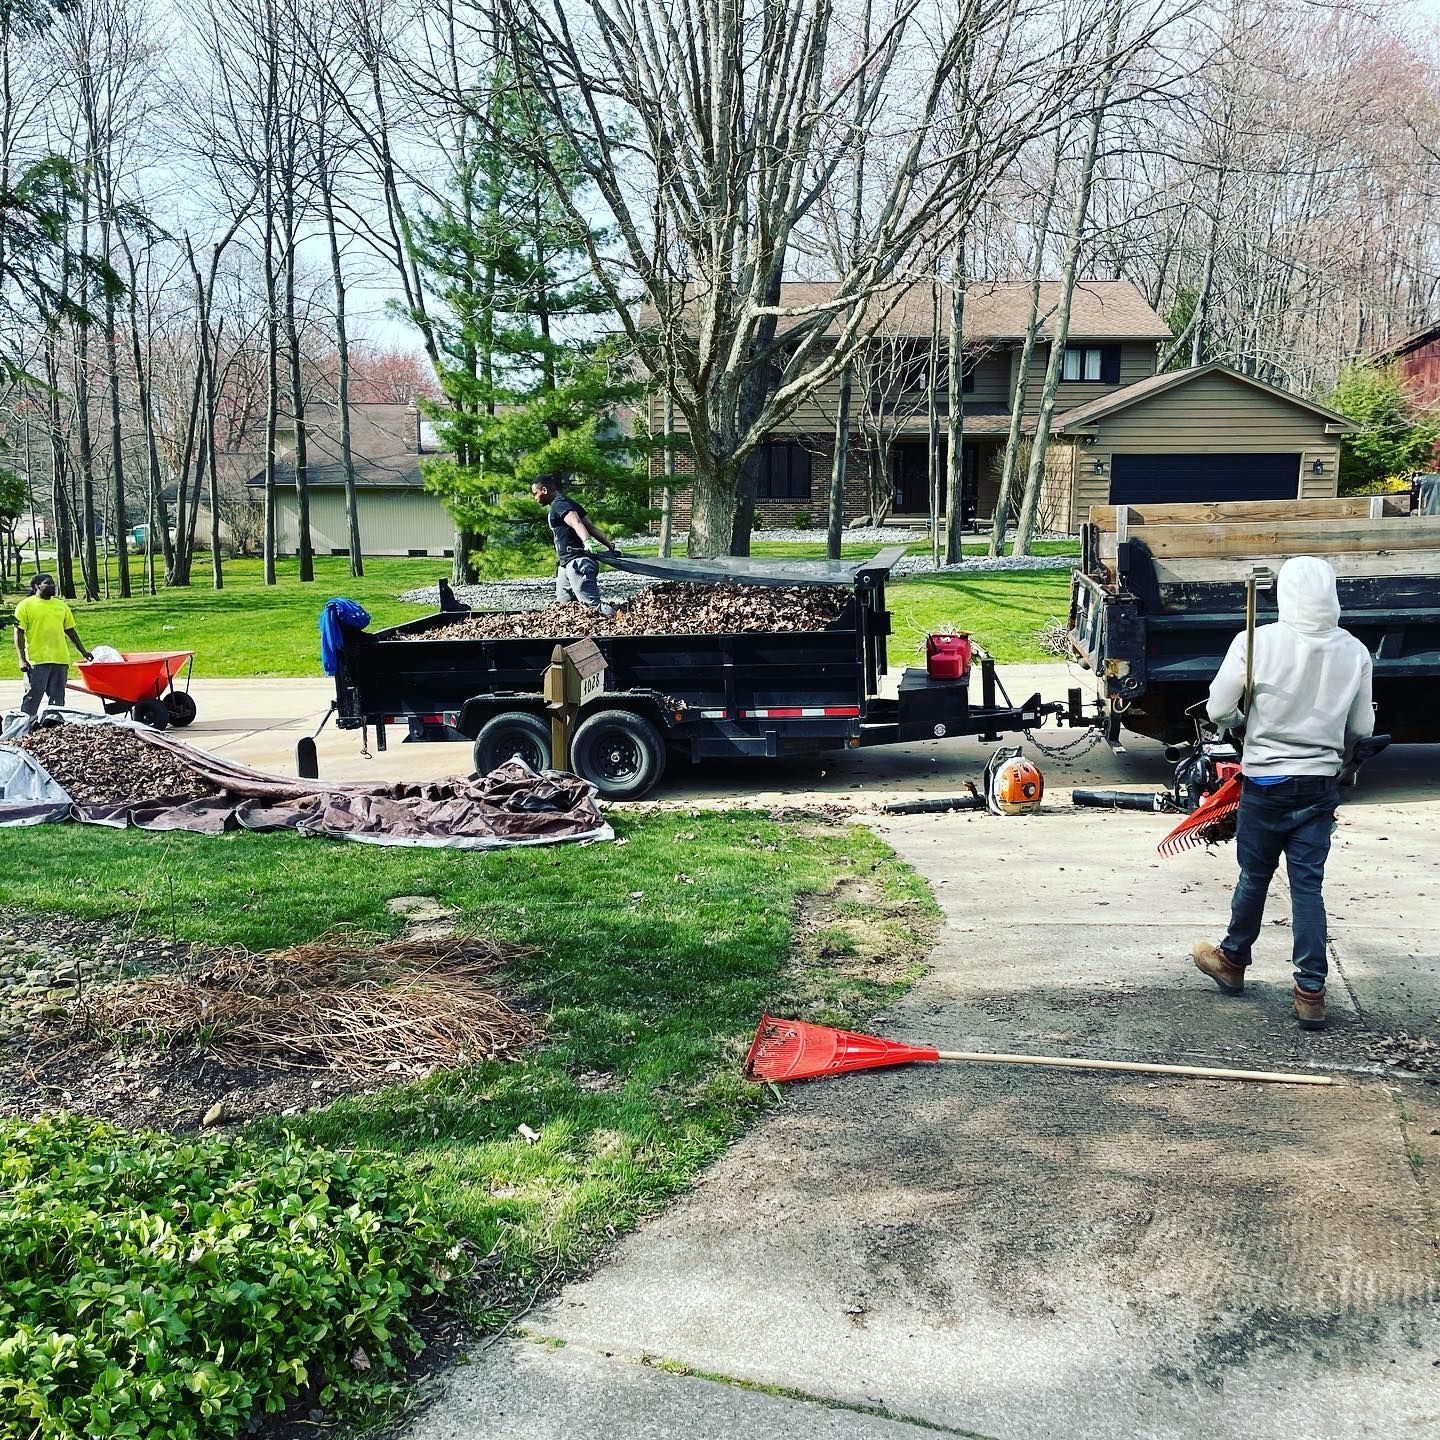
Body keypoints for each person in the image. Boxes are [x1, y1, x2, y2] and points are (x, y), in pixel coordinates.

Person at [1191, 555, 1374, 1031]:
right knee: (1307, 887)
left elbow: (1218, 708)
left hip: (1266, 783)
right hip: (1319, 785)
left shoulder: (1256, 641)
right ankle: (1311, 990)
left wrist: (1241, 721)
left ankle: (1232, 962)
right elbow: (1361, 726)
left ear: (1285, 594)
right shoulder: (1353, 650)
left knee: (1254, 877)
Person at [531, 476, 617, 616]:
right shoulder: (568, 503)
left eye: (535, 493)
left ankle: (619, 620)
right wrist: (610, 545)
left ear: (544, 490)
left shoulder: (559, 504)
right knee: (565, 607)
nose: (534, 498)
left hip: (577, 562)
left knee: (592, 607)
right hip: (566, 565)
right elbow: (591, 527)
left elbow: (576, 522)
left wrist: (587, 541)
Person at [12, 573, 93, 717]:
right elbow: (18, 634)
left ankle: (53, 727)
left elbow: (70, 631)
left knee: (57, 699)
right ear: (37, 586)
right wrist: (21, 659)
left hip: (60, 659)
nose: (52, 585)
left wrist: (83, 651)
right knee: (33, 696)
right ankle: (24, 726)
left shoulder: (61, 606)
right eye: (47, 583)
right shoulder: (25, 605)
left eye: (53, 583)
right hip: (37, 661)